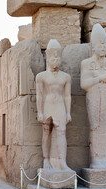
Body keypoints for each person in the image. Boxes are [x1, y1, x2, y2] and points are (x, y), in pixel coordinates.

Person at [81, 24, 106, 169]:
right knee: (95, 126)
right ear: (94, 46)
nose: (103, 47)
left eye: (105, 45)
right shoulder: (86, 63)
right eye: (100, 44)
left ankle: (105, 159)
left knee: (105, 126)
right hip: (94, 97)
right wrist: (102, 77)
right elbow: (84, 84)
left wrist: (105, 78)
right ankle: (96, 159)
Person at [36, 39, 72, 170]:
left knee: (62, 132)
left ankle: (62, 161)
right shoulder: (41, 76)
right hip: (48, 105)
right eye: (53, 59)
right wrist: (39, 112)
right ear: (48, 59)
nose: (56, 61)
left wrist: (68, 112)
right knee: (47, 132)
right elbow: (39, 95)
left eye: (58, 59)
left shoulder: (66, 77)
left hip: (60, 105)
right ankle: (46, 160)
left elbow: (67, 96)